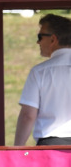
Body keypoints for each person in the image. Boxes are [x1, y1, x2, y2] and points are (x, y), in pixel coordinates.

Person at [14, 14, 71, 146]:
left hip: (51, 146)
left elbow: (28, 116)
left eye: (40, 37)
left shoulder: (39, 72)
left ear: (53, 39)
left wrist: (17, 149)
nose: (37, 42)